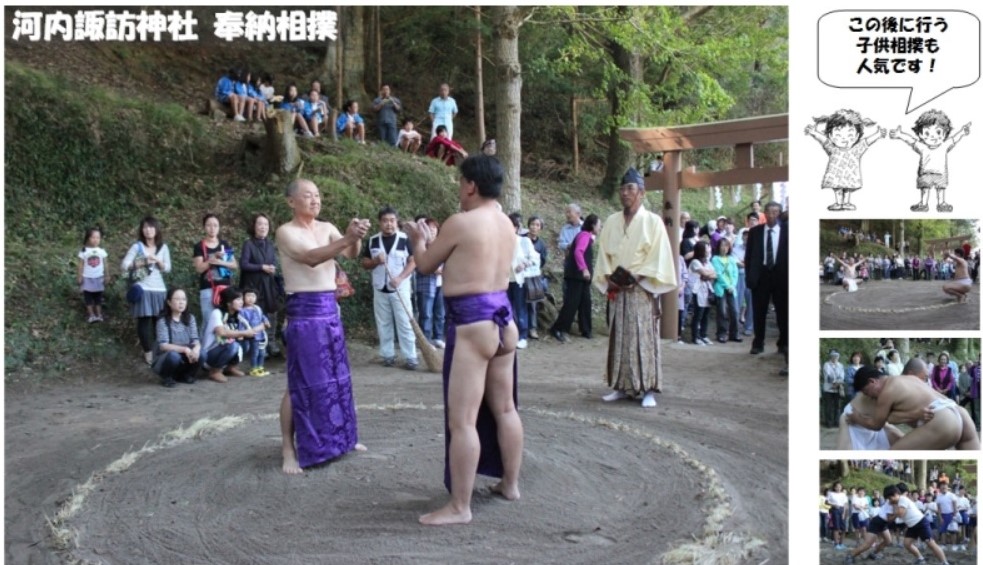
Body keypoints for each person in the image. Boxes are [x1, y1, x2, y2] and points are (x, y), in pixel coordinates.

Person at [401, 154, 523, 526]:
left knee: (463, 421)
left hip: (473, 325)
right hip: (505, 322)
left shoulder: (461, 222)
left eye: (460, 183)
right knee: (505, 408)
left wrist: (417, 239)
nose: (459, 189)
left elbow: (423, 265)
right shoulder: (506, 224)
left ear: (471, 185)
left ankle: (460, 506)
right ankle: (510, 484)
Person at [275, 178, 370, 474]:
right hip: (303, 311)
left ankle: (342, 438)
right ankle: (288, 450)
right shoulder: (285, 232)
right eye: (307, 195)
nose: (315, 200)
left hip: (330, 309)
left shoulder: (327, 227)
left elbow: (351, 254)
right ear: (292, 201)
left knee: (337, 378)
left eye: (317, 195)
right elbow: (311, 258)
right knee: (300, 380)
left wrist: (357, 236)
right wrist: (347, 238)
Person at [594, 168, 676, 408]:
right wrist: (610, 278)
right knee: (619, 337)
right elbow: (604, 255)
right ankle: (621, 385)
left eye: (630, 189)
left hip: (641, 289)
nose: (625, 193)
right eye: (623, 189)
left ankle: (648, 388)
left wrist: (636, 276)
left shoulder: (653, 221)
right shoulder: (611, 221)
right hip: (619, 289)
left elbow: (658, 255)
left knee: (643, 337)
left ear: (641, 192)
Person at [849, 365, 980, 450]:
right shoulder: (910, 378)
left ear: (873, 381)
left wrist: (857, 417)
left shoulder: (886, 392)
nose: (870, 397)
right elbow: (892, 418)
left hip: (942, 419)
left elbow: (876, 424)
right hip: (958, 411)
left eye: (867, 392)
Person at [360, 206, 418, 369]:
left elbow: (413, 261)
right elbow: (365, 263)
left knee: (405, 322)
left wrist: (400, 278)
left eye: (392, 221)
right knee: (383, 323)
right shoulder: (372, 241)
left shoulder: (405, 239)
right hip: (380, 288)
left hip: (400, 288)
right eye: (385, 221)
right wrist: (375, 261)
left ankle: (410, 357)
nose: (389, 224)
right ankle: (387, 355)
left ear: (396, 221)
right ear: (380, 223)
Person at [890, 109, 971, 212]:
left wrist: (963, 132)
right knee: (924, 188)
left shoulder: (944, 146)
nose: (933, 136)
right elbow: (911, 141)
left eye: (938, 132)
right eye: (927, 133)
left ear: (945, 134)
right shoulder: (922, 146)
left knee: (941, 189)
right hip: (925, 173)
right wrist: (900, 135)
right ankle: (923, 204)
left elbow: (954, 139)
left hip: (940, 173)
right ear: (920, 135)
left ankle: (941, 204)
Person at [804, 109, 886, 211]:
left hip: (849, 174)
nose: (844, 139)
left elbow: (867, 141)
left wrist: (878, 135)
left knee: (847, 188)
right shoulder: (832, 148)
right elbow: (822, 139)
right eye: (838, 135)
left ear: (857, 136)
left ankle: (846, 202)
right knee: (838, 188)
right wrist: (813, 132)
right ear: (831, 136)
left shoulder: (856, 149)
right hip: (836, 174)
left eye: (850, 135)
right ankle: (839, 203)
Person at [122, 216, 172, 365]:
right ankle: (148, 352)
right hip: (143, 288)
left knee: (160, 322)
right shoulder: (137, 247)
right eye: (145, 227)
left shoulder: (163, 247)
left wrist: (159, 261)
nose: (148, 230)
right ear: (142, 230)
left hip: (160, 290)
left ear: (156, 229)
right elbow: (125, 265)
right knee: (144, 322)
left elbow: (168, 268)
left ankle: (160, 350)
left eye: (151, 227)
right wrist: (143, 261)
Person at [745, 201, 787, 356]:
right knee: (759, 311)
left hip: (780, 275)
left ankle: (783, 343)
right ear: (764, 213)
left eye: (775, 212)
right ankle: (758, 342)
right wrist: (750, 276)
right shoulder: (755, 232)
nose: (771, 215)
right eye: (769, 212)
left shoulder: (787, 231)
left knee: (783, 311)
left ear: (780, 213)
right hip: (761, 274)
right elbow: (748, 256)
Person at [550, 214, 599, 343]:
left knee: (585, 302)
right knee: (572, 303)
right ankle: (559, 328)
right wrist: (584, 269)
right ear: (593, 226)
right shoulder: (584, 235)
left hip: (581, 278)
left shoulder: (586, 236)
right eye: (599, 225)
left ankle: (586, 329)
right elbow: (578, 252)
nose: (600, 228)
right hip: (576, 276)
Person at [239, 213, 283, 357]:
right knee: (256, 314)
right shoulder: (248, 244)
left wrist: (272, 268)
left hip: (269, 284)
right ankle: (257, 346)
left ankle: (271, 343)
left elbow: (273, 262)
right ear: (254, 226)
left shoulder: (270, 244)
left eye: (266, 224)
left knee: (272, 311)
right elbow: (244, 265)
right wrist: (261, 267)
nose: (263, 227)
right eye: (260, 224)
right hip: (253, 285)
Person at [200, 287, 255, 383]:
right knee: (234, 345)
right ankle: (215, 371)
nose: (241, 302)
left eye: (242, 299)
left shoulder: (238, 315)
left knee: (245, 343)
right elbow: (221, 333)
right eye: (238, 299)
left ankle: (230, 368)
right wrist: (244, 333)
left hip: (226, 347)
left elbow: (249, 330)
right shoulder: (217, 313)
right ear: (228, 302)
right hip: (210, 354)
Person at [193, 214, 237, 327]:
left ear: (219, 227)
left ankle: (225, 344)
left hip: (225, 288)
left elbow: (234, 265)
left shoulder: (224, 244)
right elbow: (199, 268)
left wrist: (222, 262)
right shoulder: (199, 246)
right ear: (204, 227)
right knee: (209, 322)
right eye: (209, 225)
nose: (212, 228)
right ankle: (206, 344)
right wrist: (213, 259)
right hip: (208, 288)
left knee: (226, 320)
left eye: (215, 225)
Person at [891, 484, 953, 564]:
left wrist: (893, 513)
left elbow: (900, 514)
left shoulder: (902, 499)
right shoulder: (900, 500)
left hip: (920, 523)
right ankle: (920, 559)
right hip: (912, 525)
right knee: (907, 543)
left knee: (931, 544)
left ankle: (944, 562)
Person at [152, 288, 201, 388]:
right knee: (173, 356)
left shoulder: (190, 318)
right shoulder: (163, 321)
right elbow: (163, 346)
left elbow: (195, 340)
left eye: (184, 299)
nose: (181, 302)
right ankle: (168, 377)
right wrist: (185, 349)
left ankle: (186, 375)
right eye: (177, 299)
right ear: (169, 302)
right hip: (166, 358)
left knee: (202, 353)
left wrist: (196, 349)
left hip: (186, 357)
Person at [507, 212, 539, 350]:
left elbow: (534, 259)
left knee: (520, 308)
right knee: (507, 309)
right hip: (504, 280)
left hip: (519, 280)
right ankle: (509, 336)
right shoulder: (500, 242)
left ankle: (522, 336)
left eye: (512, 226)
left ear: (516, 228)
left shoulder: (523, 241)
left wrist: (524, 264)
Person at [413, 216, 445, 349]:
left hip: (441, 283)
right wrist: (434, 269)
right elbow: (418, 265)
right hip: (425, 284)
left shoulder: (442, 244)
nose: (432, 230)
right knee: (426, 314)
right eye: (429, 228)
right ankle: (425, 340)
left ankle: (438, 337)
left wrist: (442, 270)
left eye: (434, 228)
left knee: (440, 313)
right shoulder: (420, 245)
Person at [844, 485, 897, 563]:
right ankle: (851, 555)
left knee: (888, 541)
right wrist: (897, 514)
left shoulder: (896, 501)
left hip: (883, 523)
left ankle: (874, 553)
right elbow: (889, 518)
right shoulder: (892, 501)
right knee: (868, 544)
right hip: (877, 522)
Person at [710, 237, 741, 343]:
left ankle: (734, 333)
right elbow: (718, 274)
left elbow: (735, 274)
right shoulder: (715, 259)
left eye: (726, 246)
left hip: (732, 289)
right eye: (722, 245)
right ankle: (722, 333)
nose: (724, 248)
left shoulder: (732, 259)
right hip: (721, 288)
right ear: (718, 247)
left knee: (735, 311)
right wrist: (727, 286)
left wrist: (732, 285)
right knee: (722, 311)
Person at [688, 241, 716, 346]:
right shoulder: (695, 262)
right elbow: (705, 273)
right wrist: (707, 274)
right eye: (707, 248)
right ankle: (695, 337)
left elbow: (715, 274)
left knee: (705, 314)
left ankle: (703, 335)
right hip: (697, 291)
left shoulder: (708, 262)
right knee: (698, 314)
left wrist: (707, 275)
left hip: (707, 290)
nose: (709, 250)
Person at [77, 227, 108, 323]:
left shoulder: (102, 251)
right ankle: (91, 315)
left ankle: (99, 315)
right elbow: (81, 265)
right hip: (87, 277)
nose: (95, 240)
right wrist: (79, 276)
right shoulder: (84, 251)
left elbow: (106, 264)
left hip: (99, 277)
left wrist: (107, 275)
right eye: (93, 237)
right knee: (88, 297)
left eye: (98, 238)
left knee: (98, 297)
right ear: (88, 238)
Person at [525, 215, 548, 340]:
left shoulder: (541, 244)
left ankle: (532, 328)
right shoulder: (522, 240)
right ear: (528, 226)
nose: (534, 227)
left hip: (534, 277)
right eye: (532, 224)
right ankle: (520, 326)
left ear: (540, 228)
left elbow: (543, 260)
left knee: (532, 303)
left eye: (537, 225)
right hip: (521, 276)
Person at [239, 288, 271, 377]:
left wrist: (266, 321)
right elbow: (241, 322)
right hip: (252, 335)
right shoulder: (242, 311)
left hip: (261, 334)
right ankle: (253, 368)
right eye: (248, 296)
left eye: (253, 296)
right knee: (255, 352)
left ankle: (260, 367)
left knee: (262, 352)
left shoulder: (257, 308)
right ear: (243, 297)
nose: (250, 298)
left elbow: (262, 316)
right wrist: (241, 333)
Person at [821, 350, 845, 428]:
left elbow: (842, 376)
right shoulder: (826, 364)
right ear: (830, 356)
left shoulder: (840, 365)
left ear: (838, 357)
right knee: (829, 406)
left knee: (837, 406)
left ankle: (837, 422)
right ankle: (829, 423)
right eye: (833, 356)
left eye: (836, 356)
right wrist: (835, 382)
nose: (835, 357)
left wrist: (837, 383)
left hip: (837, 388)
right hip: (828, 388)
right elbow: (827, 376)